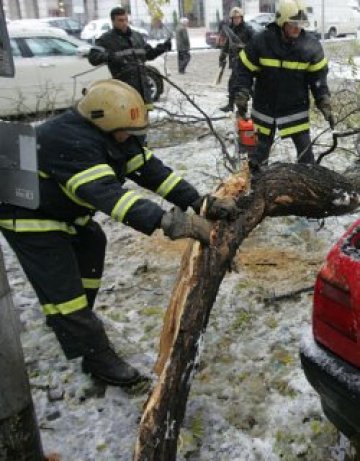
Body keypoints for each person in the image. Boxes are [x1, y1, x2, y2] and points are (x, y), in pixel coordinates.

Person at [0, 80, 239, 388]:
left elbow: (154, 173)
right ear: (105, 124)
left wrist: (200, 202)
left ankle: (70, 322)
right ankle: (95, 356)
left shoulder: (115, 135)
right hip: (29, 216)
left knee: (92, 241)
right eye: (127, 132)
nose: (132, 139)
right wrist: (172, 223)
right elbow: (111, 197)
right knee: (64, 290)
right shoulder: (70, 142)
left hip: (61, 209)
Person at [233, 0, 334, 173]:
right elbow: (243, 69)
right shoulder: (261, 42)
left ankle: (308, 191)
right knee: (257, 159)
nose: (298, 28)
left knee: (306, 159)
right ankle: (256, 190)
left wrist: (323, 100)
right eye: (293, 24)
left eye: (301, 24)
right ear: (282, 22)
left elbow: (318, 80)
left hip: (296, 109)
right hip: (264, 110)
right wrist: (242, 92)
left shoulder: (311, 47)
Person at [88, 6, 172, 108]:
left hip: (144, 91)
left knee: (145, 119)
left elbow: (148, 55)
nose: (124, 23)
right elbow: (93, 57)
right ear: (113, 21)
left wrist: (162, 48)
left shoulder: (137, 36)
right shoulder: (106, 39)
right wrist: (110, 57)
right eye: (120, 20)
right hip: (124, 91)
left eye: (126, 19)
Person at [219, 7, 254, 112]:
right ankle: (230, 105)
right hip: (235, 61)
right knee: (232, 84)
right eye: (234, 18)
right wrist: (223, 55)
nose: (236, 20)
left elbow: (255, 43)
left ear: (242, 18)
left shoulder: (248, 29)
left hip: (246, 62)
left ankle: (244, 109)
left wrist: (244, 47)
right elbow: (227, 44)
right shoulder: (231, 29)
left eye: (238, 18)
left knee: (246, 86)